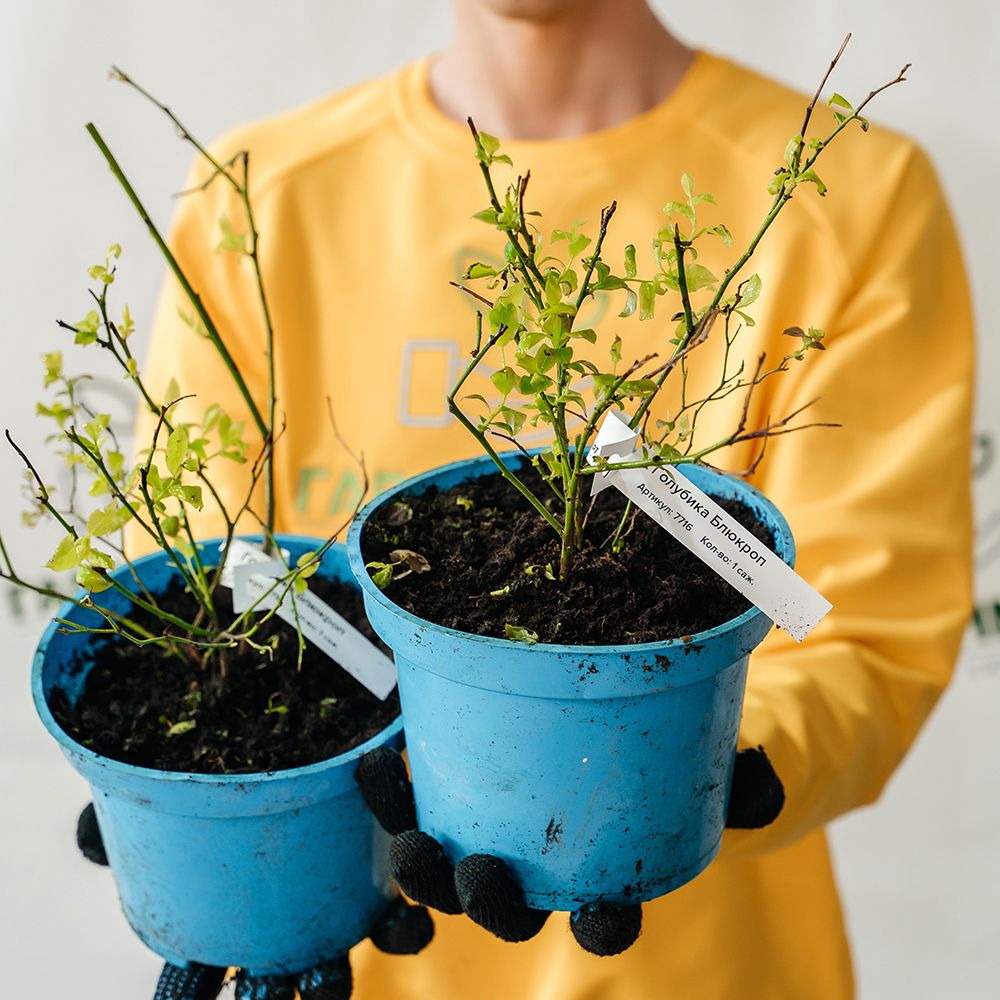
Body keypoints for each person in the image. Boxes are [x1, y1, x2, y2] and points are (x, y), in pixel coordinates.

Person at [138, 1, 975, 996]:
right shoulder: (260, 198)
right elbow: (220, 581)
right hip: (359, 942)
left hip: (703, 965)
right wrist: (179, 777)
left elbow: (866, 630)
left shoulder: (847, 192)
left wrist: (720, 764)